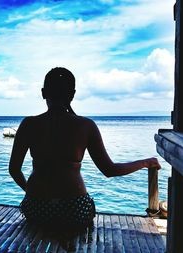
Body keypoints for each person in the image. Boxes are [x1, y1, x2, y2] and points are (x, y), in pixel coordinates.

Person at [9, 67, 161, 238]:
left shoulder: (29, 124)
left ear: (43, 93)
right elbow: (109, 170)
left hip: (36, 209)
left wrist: (31, 192)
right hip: (74, 211)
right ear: (72, 95)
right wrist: (146, 162)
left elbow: (14, 170)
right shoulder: (85, 126)